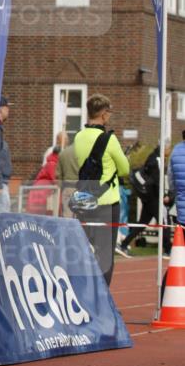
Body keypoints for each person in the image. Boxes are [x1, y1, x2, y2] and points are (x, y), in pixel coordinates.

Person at [73, 94, 129, 285]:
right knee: (105, 256)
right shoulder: (109, 139)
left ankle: (86, 296)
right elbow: (125, 169)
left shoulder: (79, 136)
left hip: (85, 201)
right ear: (104, 114)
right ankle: (102, 301)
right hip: (106, 202)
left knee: (88, 253)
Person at [118, 144, 160, 257]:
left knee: (142, 223)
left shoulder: (153, 158)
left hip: (148, 197)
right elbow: (156, 180)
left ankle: (124, 243)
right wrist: (161, 194)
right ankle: (168, 249)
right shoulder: (155, 160)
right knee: (164, 223)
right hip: (153, 198)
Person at [27, 133, 66, 215]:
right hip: (43, 191)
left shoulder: (52, 161)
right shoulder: (52, 163)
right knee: (44, 212)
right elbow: (54, 178)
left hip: (44, 189)